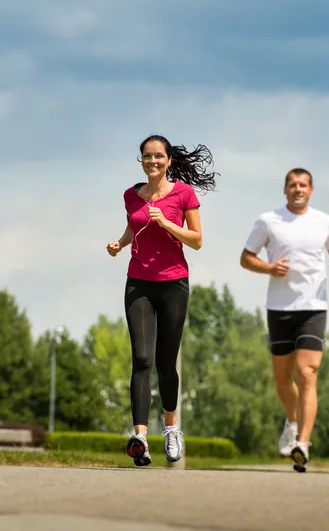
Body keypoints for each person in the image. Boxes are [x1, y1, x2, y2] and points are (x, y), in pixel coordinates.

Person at [106, 135, 217, 467]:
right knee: (141, 359)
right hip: (138, 283)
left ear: (169, 160)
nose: (152, 161)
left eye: (158, 156)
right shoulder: (131, 195)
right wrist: (120, 244)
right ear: (140, 160)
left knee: (166, 363)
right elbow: (133, 227)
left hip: (173, 284)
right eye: (146, 156)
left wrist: (167, 222)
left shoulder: (184, 193)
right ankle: (139, 436)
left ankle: (171, 427)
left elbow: (197, 240)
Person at [240, 168, 329, 472]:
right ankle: (292, 420)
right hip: (279, 308)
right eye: (292, 185)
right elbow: (246, 257)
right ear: (285, 190)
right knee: (283, 379)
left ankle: (303, 443)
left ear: (311, 190)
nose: (298, 189)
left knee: (308, 373)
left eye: (303, 185)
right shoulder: (268, 221)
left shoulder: (324, 221)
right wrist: (269, 268)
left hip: (314, 306)